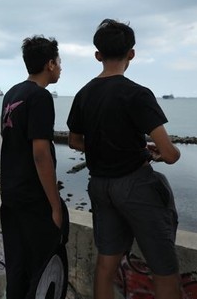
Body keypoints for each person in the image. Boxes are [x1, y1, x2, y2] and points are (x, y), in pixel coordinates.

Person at [66, 19, 182, 299]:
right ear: (131, 53)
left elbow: (74, 141)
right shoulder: (137, 94)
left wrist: (107, 148)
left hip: (100, 186)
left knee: (107, 261)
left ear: (98, 55)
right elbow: (169, 154)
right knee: (164, 267)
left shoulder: (83, 94)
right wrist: (157, 152)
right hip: (136, 186)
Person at [0, 35, 66, 299]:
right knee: (41, 272)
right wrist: (55, 205)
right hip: (33, 199)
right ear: (49, 64)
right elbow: (40, 154)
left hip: (11, 195)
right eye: (59, 61)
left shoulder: (11, 93)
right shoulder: (40, 97)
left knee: (17, 268)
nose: (61, 67)